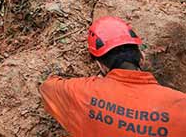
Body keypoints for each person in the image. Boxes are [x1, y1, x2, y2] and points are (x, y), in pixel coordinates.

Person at [39, 16, 186, 136]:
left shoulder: (82, 92)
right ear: (142, 57)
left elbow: (47, 88)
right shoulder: (180, 104)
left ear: (101, 65)